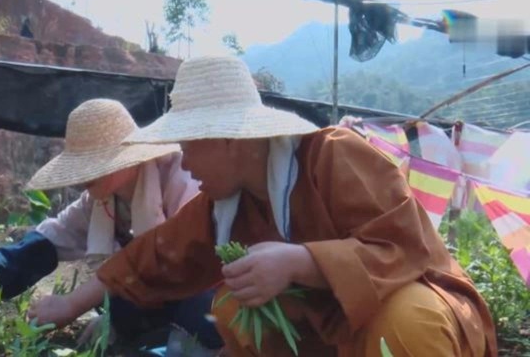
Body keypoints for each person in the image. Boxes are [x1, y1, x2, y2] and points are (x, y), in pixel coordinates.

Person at [30, 56, 497, 356]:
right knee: (233, 305)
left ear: (231, 139)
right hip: (334, 332)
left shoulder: (336, 155)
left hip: (413, 314)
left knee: (408, 323)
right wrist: (72, 303)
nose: (185, 165)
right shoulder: (226, 204)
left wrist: (304, 261)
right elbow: (155, 257)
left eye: (190, 146)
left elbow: (405, 249)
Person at [0, 99, 222, 356]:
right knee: (116, 303)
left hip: (203, 297)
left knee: (202, 304)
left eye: (93, 164)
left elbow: (170, 256)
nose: (83, 177)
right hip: (157, 306)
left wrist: (73, 303)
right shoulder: (100, 203)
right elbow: (29, 253)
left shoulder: (182, 177)